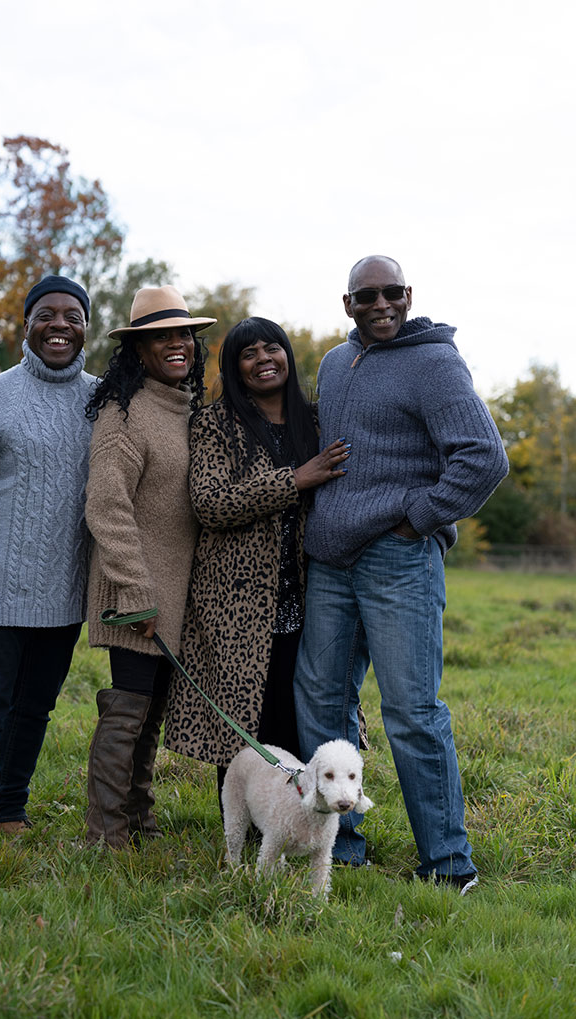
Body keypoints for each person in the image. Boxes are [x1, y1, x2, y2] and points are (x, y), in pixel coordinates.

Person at [293, 255, 508, 891]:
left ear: (408, 294)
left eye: (391, 293)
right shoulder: (336, 362)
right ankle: (342, 845)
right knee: (321, 701)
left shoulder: (435, 362)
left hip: (398, 557)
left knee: (412, 712)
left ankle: (448, 865)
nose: (380, 304)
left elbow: (483, 456)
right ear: (348, 303)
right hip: (332, 558)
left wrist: (419, 515)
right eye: (367, 296)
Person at [163, 317, 357, 806]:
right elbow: (210, 502)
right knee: (246, 721)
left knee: (303, 715)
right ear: (234, 366)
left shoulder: (314, 422)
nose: (263, 359)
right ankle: (244, 830)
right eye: (249, 353)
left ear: (288, 356)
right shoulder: (213, 423)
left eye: (273, 348)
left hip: (313, 593)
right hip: (234, 600)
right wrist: (296, 479)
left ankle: (305, 823)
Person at [0, 275, 96, 862]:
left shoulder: (100, 398)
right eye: (46, 315)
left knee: (35, 706)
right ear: (25, 325)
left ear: (86, 326)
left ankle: (8, 808)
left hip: (64, 591)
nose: (60, 324)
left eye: (73, 315)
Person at [83, 285, 215, 848]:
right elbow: (105, 505)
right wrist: (136, 589)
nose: (178, 344)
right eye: (163, 336)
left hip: (174, 595)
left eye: (184, 333)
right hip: (133, 590)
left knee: (150, 712)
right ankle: (105, 835)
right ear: (139, 349)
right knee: (126, 711)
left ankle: (140, 818)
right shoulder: (124, 413)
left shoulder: (185, 410)